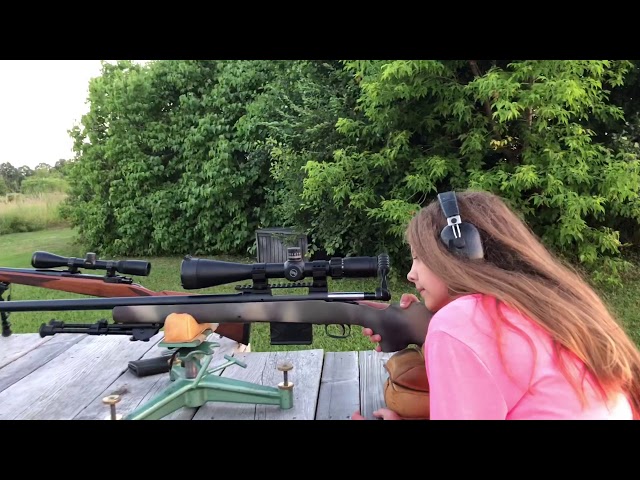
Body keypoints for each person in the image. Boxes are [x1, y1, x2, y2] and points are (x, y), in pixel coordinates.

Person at [352, 189, 640, 420]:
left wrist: (444, 329)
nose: (410, 274)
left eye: (419, 257)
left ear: (462, 250)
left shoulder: (457, 323)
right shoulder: (544, 301)